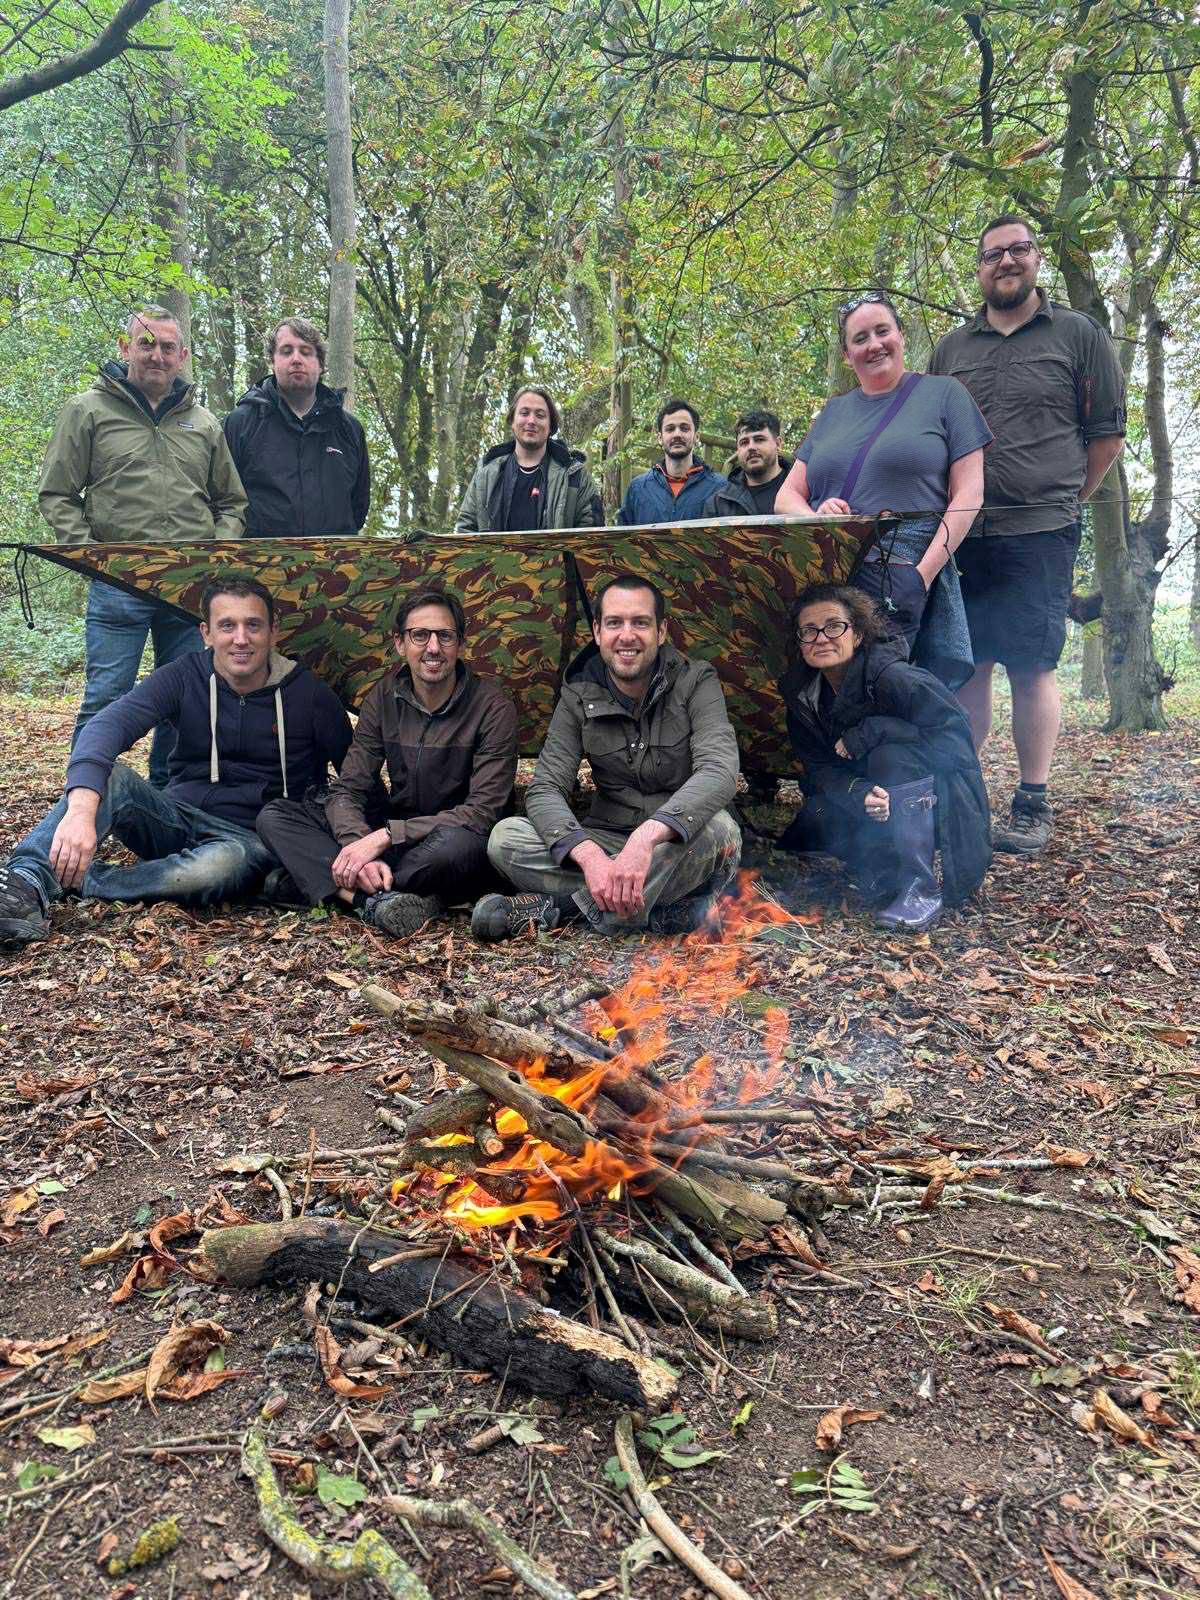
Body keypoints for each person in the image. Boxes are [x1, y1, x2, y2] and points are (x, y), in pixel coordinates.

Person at [0, 577, 352, 946]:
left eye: (253, 625)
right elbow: (107, 726)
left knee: (219, 867)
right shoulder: (185, 676)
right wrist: (80, 811)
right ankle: (24, 881)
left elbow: (356, 781)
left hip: (252, 840)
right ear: (206, 633)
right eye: (227, 626)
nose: (241, 639)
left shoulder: (311, 695)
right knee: (112, 778)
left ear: (273, 631)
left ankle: (86, 879)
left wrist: (361, 849)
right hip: (175, 817)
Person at [928, 216, 1126, 854]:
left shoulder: (1077, 335)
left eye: (1017, 250)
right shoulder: (952, 350)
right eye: (992, 255)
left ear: (1036, 258)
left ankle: (1033, 800)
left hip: (1041, 528)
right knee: (968, 666)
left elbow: (1106, 435)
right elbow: (936, 438)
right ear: (979, 268)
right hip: (964, 532)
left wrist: (1067, 499)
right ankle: (964, 792)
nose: (1005, 262)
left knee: (1032, 665)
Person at [37, 306, 248, 787]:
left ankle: (168, 802)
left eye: (168, 347)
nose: (157, 355)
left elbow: (232, 502)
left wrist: (216, 556)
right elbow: (57, 494)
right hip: (118, 583)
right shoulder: (88, 409)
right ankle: (83, 802)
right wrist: (92, 556)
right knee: (106, 697)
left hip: (190, 586)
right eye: (147, 343)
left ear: (183, 356)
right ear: (125, 346)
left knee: (185, 699)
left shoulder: (203, 422)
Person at [474, 572, 741, 941]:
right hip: (607, 837)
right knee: (505, 838)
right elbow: (546, 787)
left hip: (676, 843)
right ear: (598, 631)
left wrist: (647, 838)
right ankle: (660, 909)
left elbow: (720, 770)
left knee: (720, 830)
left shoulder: (696, 681)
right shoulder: (577, 692)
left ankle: (563, 908)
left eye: (640, 623)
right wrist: (589, 856)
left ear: (661, 631)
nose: (626, 636)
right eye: (614, 623)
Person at [257, 588, 518, 938]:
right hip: (397, 829)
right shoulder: (383, 697)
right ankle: (374, 899)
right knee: (276, 815)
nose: (433, 648)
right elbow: (349, 787)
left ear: (460, 643)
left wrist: (384, 838)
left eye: (445, 635)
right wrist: (358, 845)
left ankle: (335, 885)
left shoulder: (492, 707)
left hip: (447, 838)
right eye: (420, 635)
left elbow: (482, 812)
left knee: (458, 847)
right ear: (399, 643)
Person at [775, 293, 992, 691]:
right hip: (830, 576)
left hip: (902, 573)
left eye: (882, 331)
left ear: (901, 336)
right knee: (827, 694)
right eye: (860, 338)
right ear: (847, 354)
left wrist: (921, 577)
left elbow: (969, 495)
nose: (874, 344)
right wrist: (818, 514)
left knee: (891, 692)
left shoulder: (945, 394)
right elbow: (786, 496)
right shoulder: (834, 412)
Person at [777, 584, 990, 934]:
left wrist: (874, 731)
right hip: (869, 789)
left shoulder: (895, 678)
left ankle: (920, 886)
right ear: (799, 642)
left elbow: (955, 739)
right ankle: (884, 871)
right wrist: (858, 792)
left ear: (858, 633)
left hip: (941, 797)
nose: (822, 638)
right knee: (813, 823)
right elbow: (818, 767)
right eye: (809, 631)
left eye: (834, 626)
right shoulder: (802, 695)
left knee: (891, 758)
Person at [223, 317, 370, 539]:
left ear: (320, 364)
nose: (296, 359)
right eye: (286, 351)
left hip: (335, 567)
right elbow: (225, 502)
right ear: (273, 361)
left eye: (306, 351)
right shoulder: (241, 423)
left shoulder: (348, 429)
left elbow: (358, 509)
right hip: (260, 567)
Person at [454, 385, 603, 533]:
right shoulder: (486, 473)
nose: (531, 421)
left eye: (540, 415)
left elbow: (593, 538)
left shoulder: (574, 475)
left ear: (551, 425)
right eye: (524, 413)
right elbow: (465, 531)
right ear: (512, 421)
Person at [616, 399, 728, 525]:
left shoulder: (719, 488)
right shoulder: (638, 488)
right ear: (660, 438)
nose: (677, 434)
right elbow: (623, 539)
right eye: (670, 429)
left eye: (684, 428)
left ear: (696, 437)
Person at [702, 410, 794, 517]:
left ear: (778, 443)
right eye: (744, 442)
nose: (751, 447)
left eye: (759, 439)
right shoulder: (719, 503)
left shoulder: (800, 490)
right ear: (738, 449)